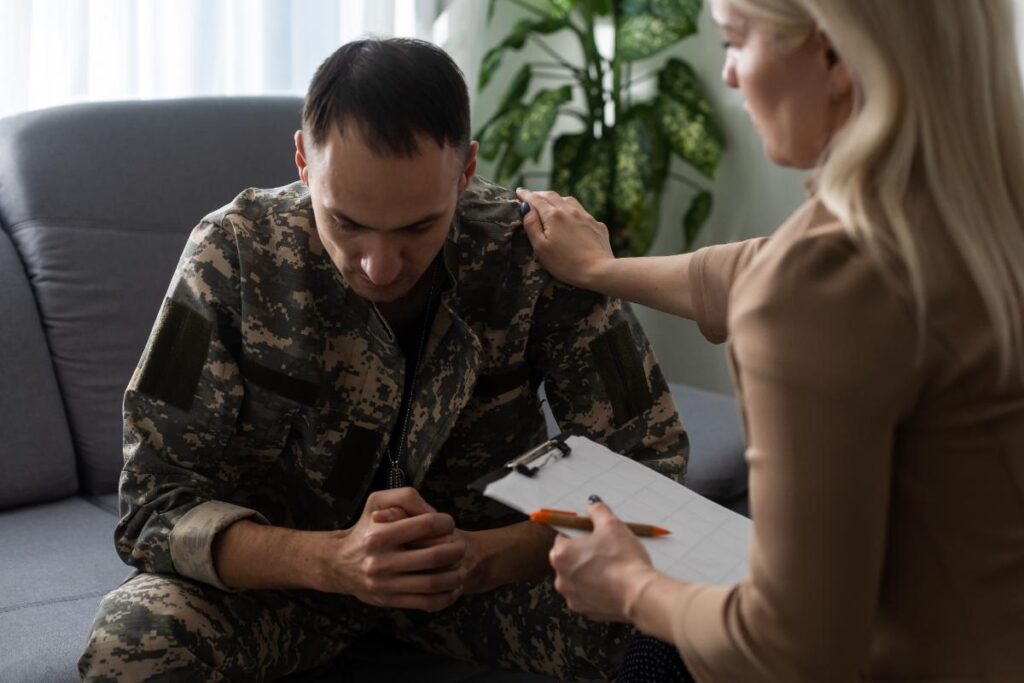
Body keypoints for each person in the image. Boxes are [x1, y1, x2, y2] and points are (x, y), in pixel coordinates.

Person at [78, 38, 688, 681]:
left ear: (466, 171)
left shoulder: (537, 253)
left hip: (483, 580)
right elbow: (152, 504)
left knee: (703, 609)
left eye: (418, 227)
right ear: (303, 162)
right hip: (283, 588)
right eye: (346, 222)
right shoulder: (230, 255)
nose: (380, 266)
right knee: (136, 642)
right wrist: (331, 560)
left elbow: (651, 475)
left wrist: (483, 558)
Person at [516, 0, 1024, 680]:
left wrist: (630, 585)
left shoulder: (819, 282)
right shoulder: (975, 207)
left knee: (651, 650)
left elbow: (792, 649)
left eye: (735, 41)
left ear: (835, 56)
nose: (726, 75)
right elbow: (756, 265)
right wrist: (599, 269)